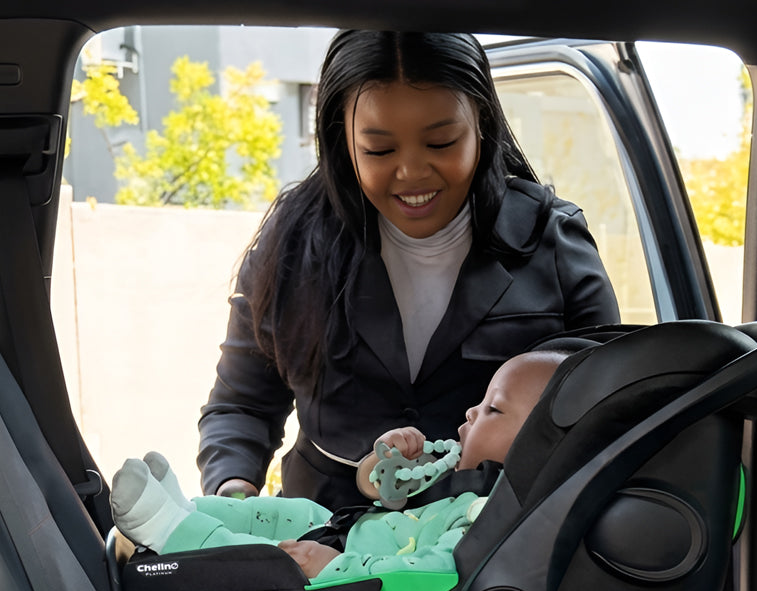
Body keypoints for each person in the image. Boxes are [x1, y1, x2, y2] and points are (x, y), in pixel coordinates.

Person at [125, 351, 734, 591]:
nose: (470, 412)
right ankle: (190, 511)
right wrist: (385, 465)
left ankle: (172, 532)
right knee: (299, 512)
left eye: (493, 409)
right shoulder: (476, 489)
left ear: (543, 450)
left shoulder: (510, 527)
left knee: (275, 562)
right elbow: (384, 495)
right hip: (349, 528)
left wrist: (338, 567)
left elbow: (434, 579)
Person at [197, 30, 620, 512]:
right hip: (318, 531)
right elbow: (243, 405)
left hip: (489, 538)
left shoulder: (553, 241)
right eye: (379, 150)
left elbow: (607, 410)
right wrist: (233, 497)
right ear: (342, 139)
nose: (412, 172)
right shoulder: (295, 239)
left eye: (441, 142)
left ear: (482, 122)